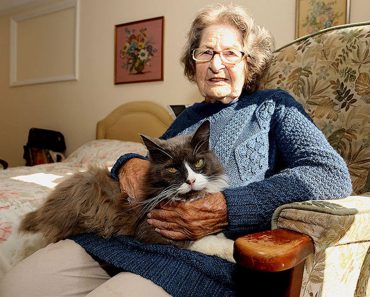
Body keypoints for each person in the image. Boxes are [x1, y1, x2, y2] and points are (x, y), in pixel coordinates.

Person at [0, 4, 352, 297]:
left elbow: (330, 174)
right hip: (123, 240)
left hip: (201, 258)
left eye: (231, 53)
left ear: (250, 62)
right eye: (206, 52)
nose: (217, 63)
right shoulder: (186, 119)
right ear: (193, 62)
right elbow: (146, 168)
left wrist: (229, 207)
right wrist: (128, 162)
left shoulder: (274, 107)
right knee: (18, 285)